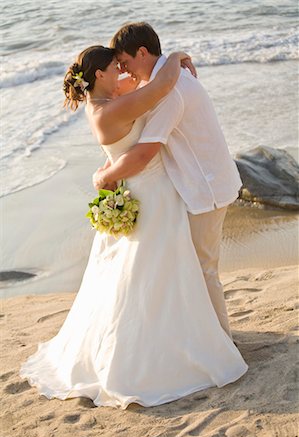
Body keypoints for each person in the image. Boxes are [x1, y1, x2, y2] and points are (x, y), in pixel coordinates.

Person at [19, 44, 248, 409]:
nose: (123, 74)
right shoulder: (116, 107)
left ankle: (173, 334)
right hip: (151, 193)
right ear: (99, 76)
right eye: (116, 67)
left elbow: (147, 84)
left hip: (144, 191)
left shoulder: (106, 100)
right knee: (154, 273)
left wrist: (158, 65)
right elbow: (159, 92)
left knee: (149, 274)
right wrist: (176, 56)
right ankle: (155, 351)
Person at [93, 22, 243, 340]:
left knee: (203, 268)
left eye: (125, 63)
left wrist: (105, 176)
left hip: (206, 189)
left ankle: (221, 341)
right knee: (190, 267)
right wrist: (176, 55)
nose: (123, 72)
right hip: (201, 182)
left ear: (143, 53)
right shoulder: (164, 79)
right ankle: (200, 335)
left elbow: (144, 152)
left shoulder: (168, 91)